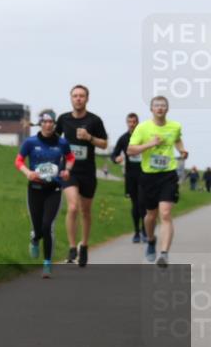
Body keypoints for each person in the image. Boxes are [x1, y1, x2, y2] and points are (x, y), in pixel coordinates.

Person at [128, 96, 188, 268]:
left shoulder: (175, 126)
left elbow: (176, 139)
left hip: (168, 175)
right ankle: (151, 240)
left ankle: (164, 254)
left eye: (163, 105)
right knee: (150, 216)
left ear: (167, 109)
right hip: (148, 177)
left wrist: (182, 150)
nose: (160, 108)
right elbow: (130, 150)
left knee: (166, 213)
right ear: (152, 109)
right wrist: (149, 144)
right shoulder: (143, 128)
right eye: (156, 105)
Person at [15, 110, 75, 278]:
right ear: (40, 123)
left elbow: (70, 158)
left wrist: (67, 171)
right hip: (34, 189)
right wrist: (28, 173)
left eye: (51, 122)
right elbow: (18, 160)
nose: (48, 125)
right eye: (45, 122)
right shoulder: (30, 142)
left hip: (54, 189)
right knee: (38, 228)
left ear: (55, 124)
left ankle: (47, 263)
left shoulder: (62, 143)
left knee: (48, 226)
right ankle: (35, 239)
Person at [56, 85, 108, 267]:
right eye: (75, 96)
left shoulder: (95, 120)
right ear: (70, 98)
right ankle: (72, 247)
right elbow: (54, 140)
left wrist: (89, 138)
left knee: (85, 211)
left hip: (87, 171)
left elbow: (104, 144)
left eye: (82, 96)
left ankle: (84, 245)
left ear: (87, 99)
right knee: (72, 207)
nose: (78, 99)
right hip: (69, 170)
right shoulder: (63, 119)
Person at [110, 113, 146, 243]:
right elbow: (113, 154)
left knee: (143, 204)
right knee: (135, 205)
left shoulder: (144, 137)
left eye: (134, 122)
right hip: (131, 176)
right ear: (127, 123)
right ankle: (137, 232)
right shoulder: (123, 139)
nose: (132, 124)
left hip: (145, 175)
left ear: (138, 122)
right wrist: (116, 159)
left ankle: (145, 230)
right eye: (129, 122)